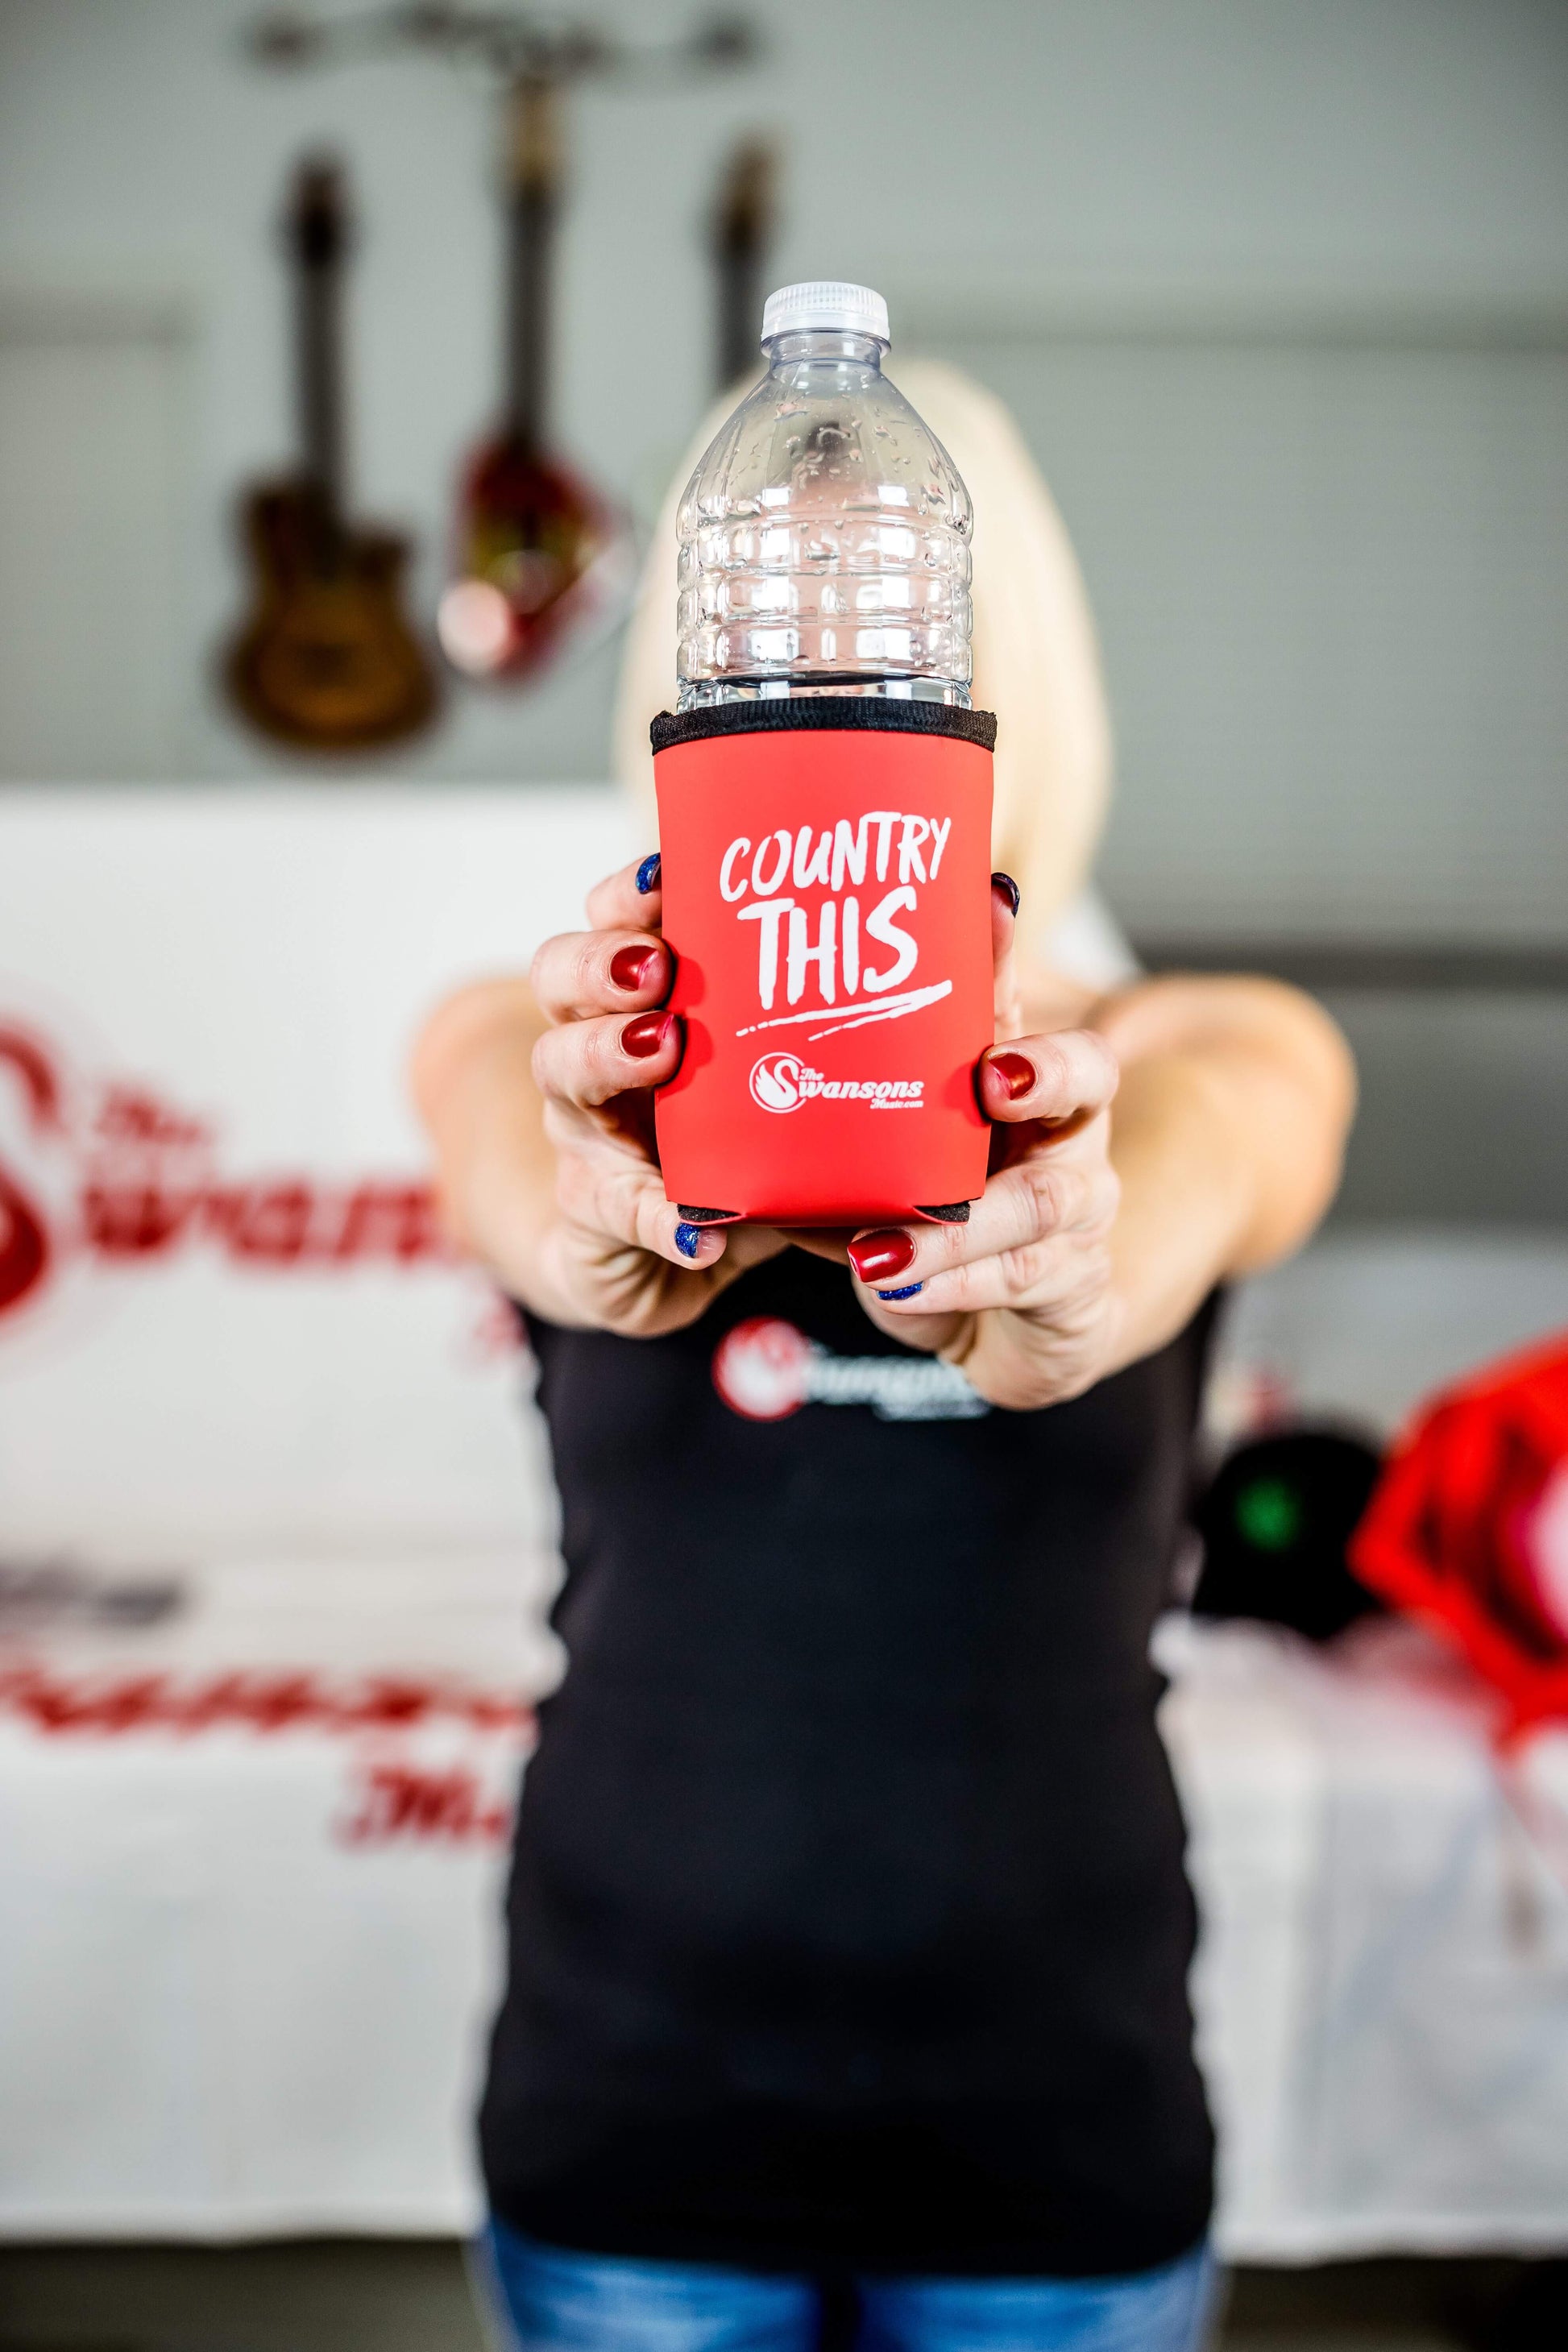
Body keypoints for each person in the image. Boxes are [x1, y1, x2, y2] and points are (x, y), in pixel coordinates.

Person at [413, 364, 1355, 2352]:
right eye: (773, 612)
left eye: (886, 614)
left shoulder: (1186, 1046)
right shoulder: (555, 1038)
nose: (823, 685)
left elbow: (1241, 1128)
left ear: (990, 656)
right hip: (629, 2122)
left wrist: (1086, 1239)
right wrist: (601, 1208)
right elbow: (506, 1143)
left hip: (1056, 2136)